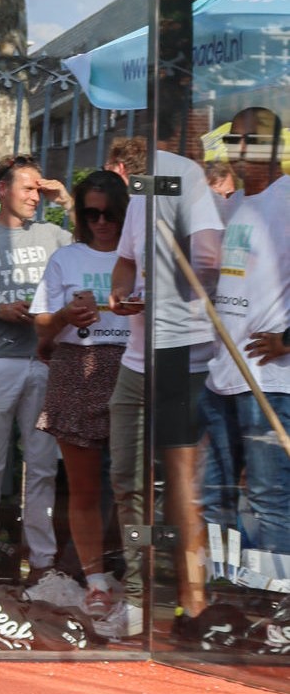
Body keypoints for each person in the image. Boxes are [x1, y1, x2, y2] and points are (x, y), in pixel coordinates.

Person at [108, 105, 223, 638]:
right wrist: (121, 290)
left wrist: (179, 288)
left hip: (181, 350)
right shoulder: (145, 185)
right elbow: (128, 258)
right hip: (138, 356)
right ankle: (139, 596)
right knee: (129, 478)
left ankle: (191, 600)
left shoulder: (187, 174)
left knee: (180, 482)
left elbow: (210, 257)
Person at [29, 170, 131, 633]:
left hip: (131, 368)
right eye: (91, 214)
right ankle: (95, 579)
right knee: (85, 488)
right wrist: (68, 315)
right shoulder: (66, 258)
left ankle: (141, 579)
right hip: (77, 367)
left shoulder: (139, 256)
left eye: (110, 214)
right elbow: (42, 331)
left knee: (134, 487)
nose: (102, 223)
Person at [0, 154, 71, 589]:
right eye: (27, 188)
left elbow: (102, 249)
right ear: (2, 190)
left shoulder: (53, 234)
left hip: (44, 362)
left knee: (43, 467)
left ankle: (43, 561)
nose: (35, 196)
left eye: (38, 188)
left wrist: (66, 199)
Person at [200, 108, 289, 578]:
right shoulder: (234, 206)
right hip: (222, 378)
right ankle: (224, 593)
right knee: (214, 498)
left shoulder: (288, 199)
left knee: (270, 499)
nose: (235, 150)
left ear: (273, 147)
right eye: (231, 141)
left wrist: (288, 340)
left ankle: (277, 606)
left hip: (269, 382)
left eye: (245, 140)